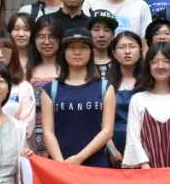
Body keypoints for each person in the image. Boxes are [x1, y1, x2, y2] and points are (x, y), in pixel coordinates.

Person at [40, 30, 115, 167]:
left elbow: (107, 131)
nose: (77, 52)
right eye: (71, 48)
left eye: (83, 47)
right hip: (60, 165)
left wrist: (79, 158)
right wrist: (62, 164)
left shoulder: (105, 88)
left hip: (97, 165)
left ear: (91, 52)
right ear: (63, 52)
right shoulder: (50, 90)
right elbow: (48, 132)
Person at [122, 42, 170, 169]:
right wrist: (145, 166)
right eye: (154, 62)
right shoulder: (138, 99)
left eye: (166, 61)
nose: (160, 66)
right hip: (145, 173)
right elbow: (133, 137)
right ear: (148, 66)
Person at [25, 14, 65, 153]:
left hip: (61, 136)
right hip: (30, 138)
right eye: (41, 37)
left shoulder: (68, 71)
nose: (46, 42)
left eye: (52, 37)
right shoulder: (26, 71)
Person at [105, 30, 144, 167]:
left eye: (132, 46)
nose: (127, 51)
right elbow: (99, 120)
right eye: (122, 47)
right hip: (114, 143)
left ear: (140, 51)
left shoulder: (150, 82)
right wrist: (111, 149)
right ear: (114, 53)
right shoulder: (105, 84)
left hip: (143, 143)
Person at [0, 30, 35, 131]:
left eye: (5, 51)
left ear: (13, 53)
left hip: (15, 139)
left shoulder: (24, 87)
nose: (0, 55)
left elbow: (27, 128)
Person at [88, 10, 118, 74]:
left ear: (113, 35)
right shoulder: (80, 63)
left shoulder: (120, 63)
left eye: (107, 30)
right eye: (96, 30)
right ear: (88, 33)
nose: (101, 35)